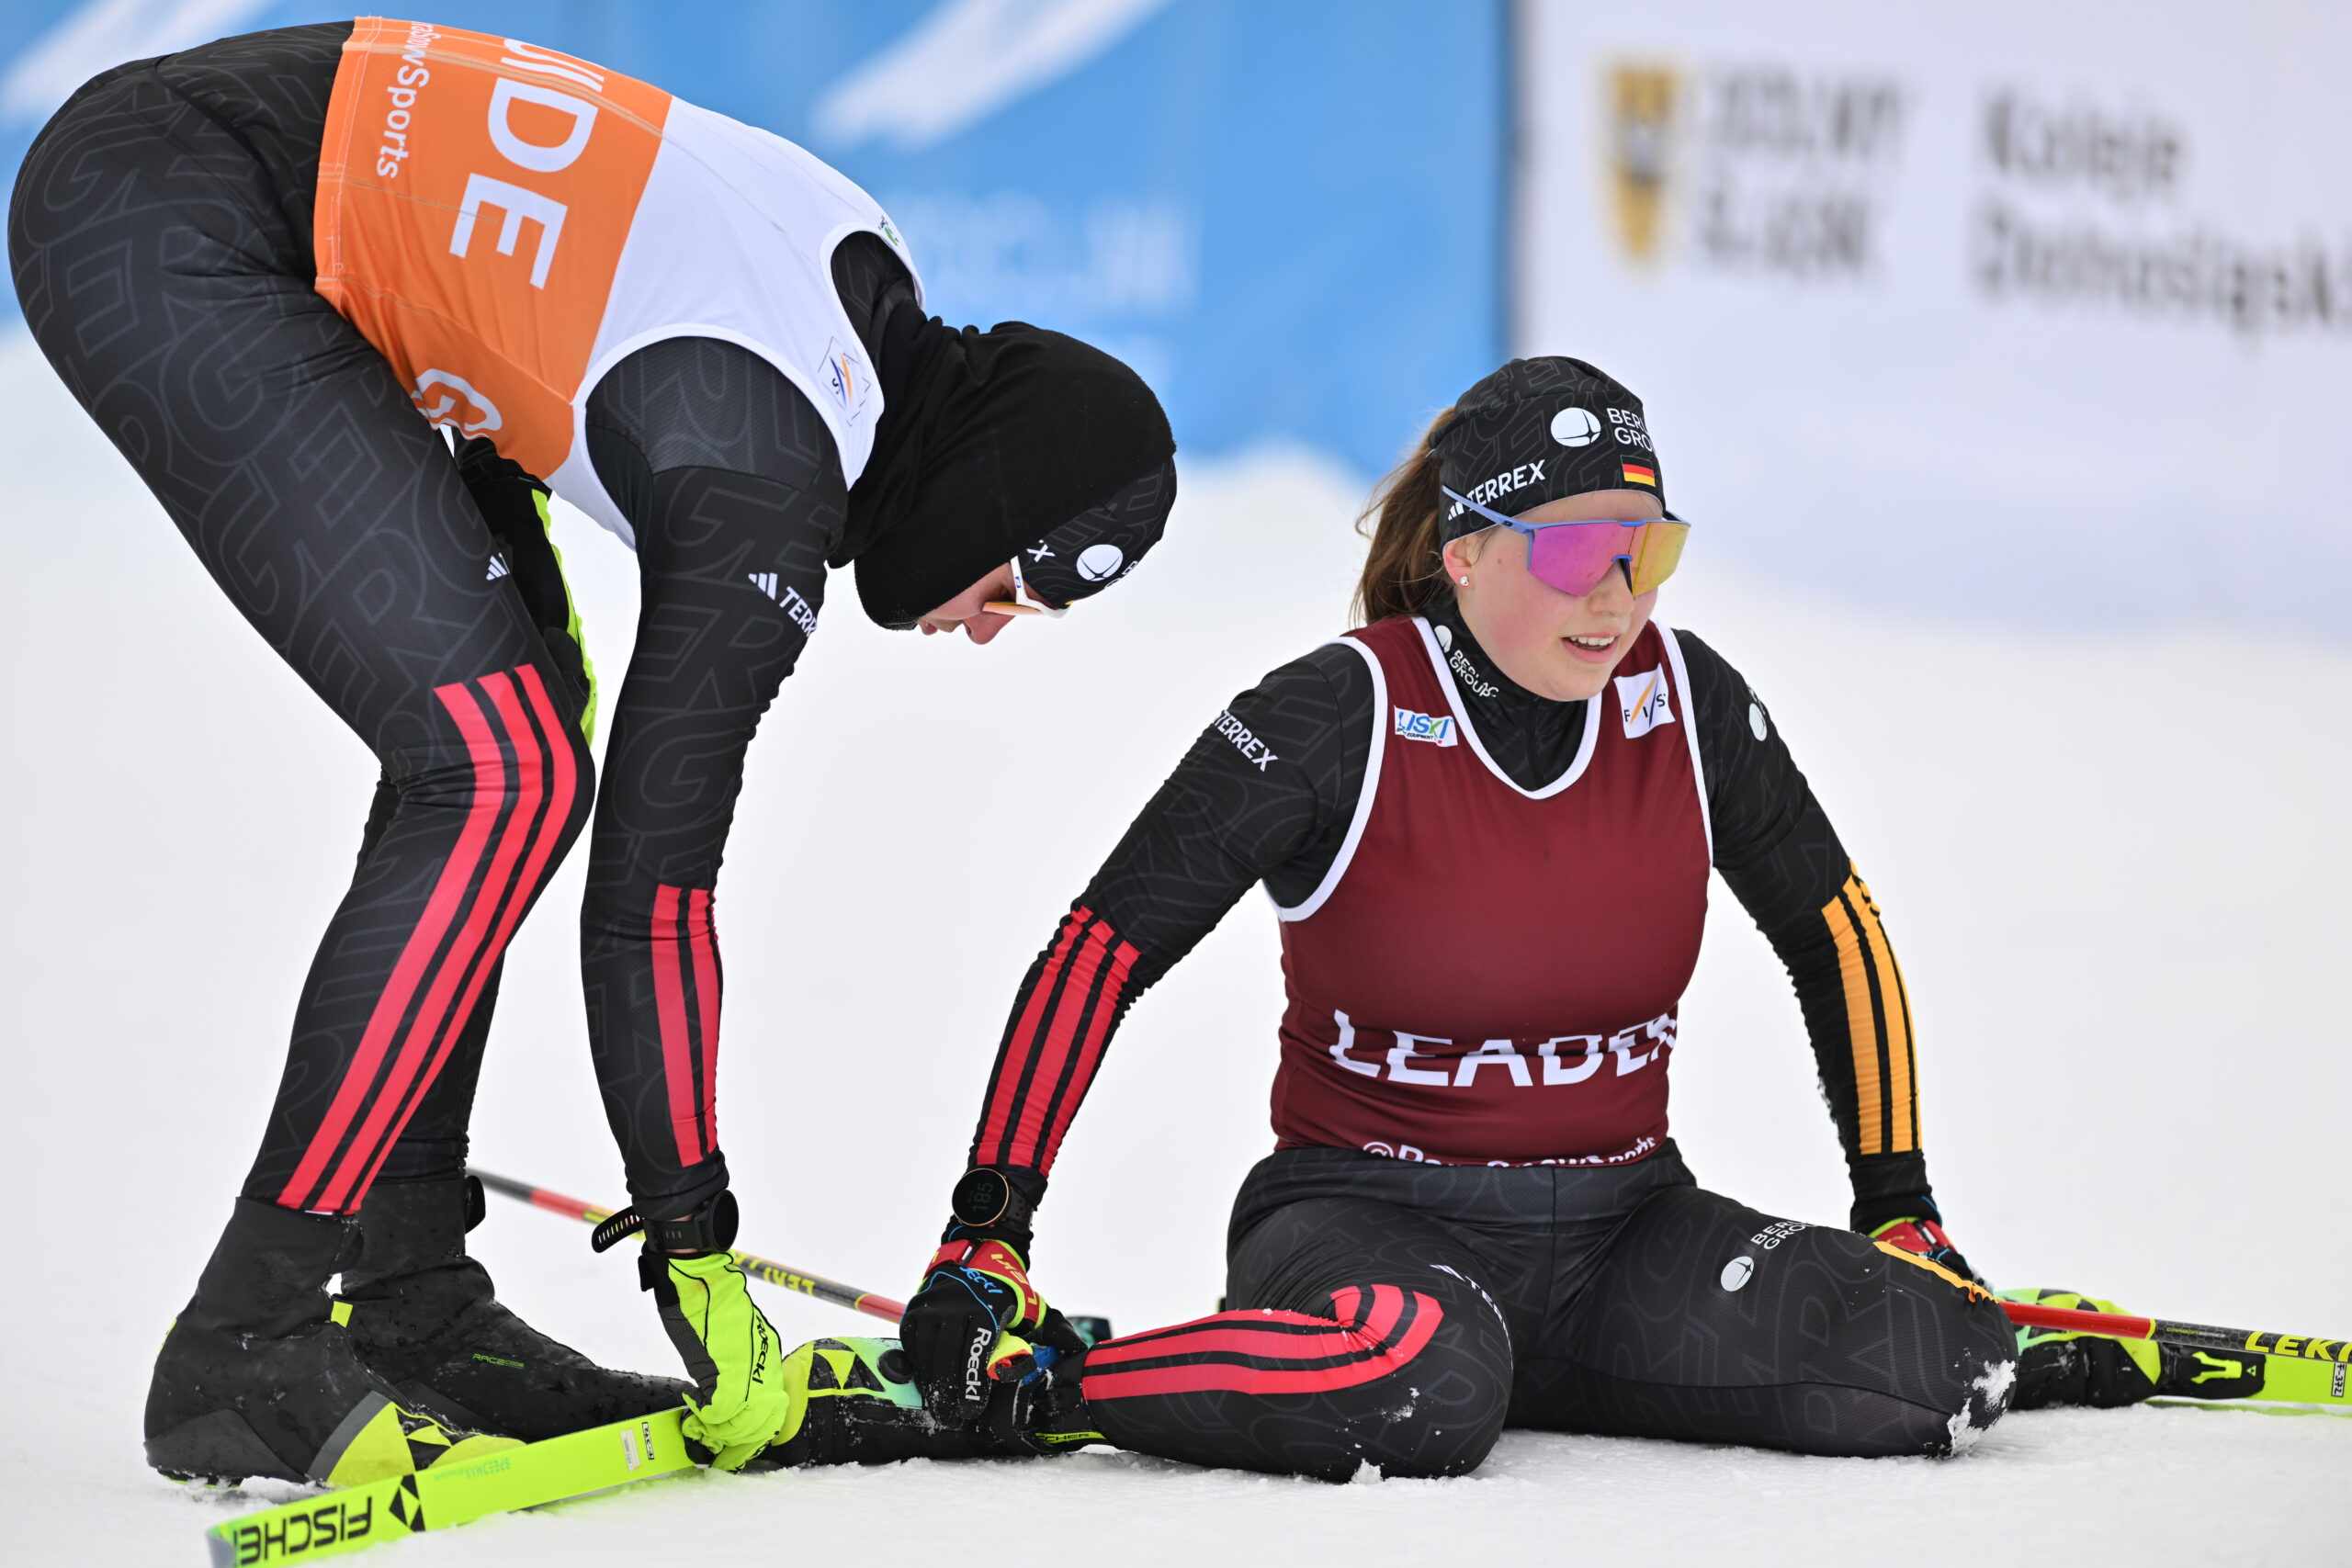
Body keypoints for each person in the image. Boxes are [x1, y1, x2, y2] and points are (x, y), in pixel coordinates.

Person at [8, 19, 1175, 1487]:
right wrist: (696, 1251)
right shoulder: (768, 469)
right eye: (1028, 584)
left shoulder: (852, 282)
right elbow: (653, 897)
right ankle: (243, 1340)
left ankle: (417, 1298)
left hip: (226, 181)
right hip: (179, 209)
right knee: (504, 772)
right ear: (999, 494)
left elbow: (504, 313)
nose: (1000, 628)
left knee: (505, 738)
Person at [786, 355, 2023, 1478]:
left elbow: (1836, 929)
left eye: (1647, 547)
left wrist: (1900, 1206)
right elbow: (1102, 950)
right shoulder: (1338, 713)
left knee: (1947, 1357)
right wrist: (987, 1235)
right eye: (1570, 550)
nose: (1618, 592)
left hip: (1624, 1242)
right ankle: (1046, 1388)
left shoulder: (1688, 701)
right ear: (1465, 554)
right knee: (1429, 1390)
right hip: (1363, 1227)